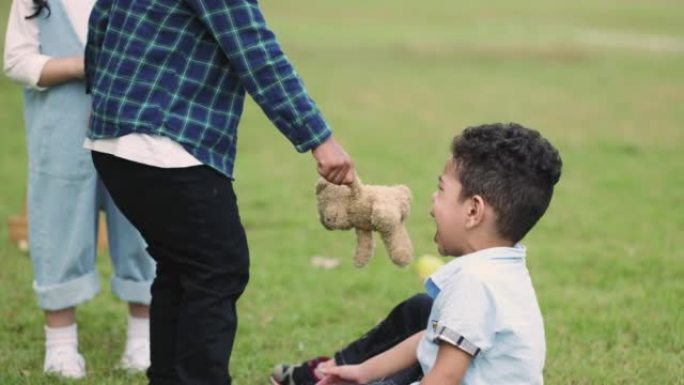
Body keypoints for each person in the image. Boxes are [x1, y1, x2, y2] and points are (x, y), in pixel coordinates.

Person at [83, 0, 356, 384]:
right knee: (217, 268)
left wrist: (110, 105)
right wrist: (319, 139)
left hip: (115, 139)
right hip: (162, 142)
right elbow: (255, 52)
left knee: (181, 266)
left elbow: (102, 20)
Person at [276, 122, 563, 385]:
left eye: (441, 190)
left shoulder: (473, 283)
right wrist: (364, 372)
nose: (432, 202)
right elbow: (428, 340)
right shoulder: (505, 269)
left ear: (473, 211)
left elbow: (443, 379)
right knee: (421, 309)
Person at [3, 0, 156, 379]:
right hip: (61, 132)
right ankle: (60, 344)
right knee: (58, 228)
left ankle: (143, 337)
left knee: (142, 227)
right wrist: (78, 66)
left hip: (134, 127)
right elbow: (16, 60)